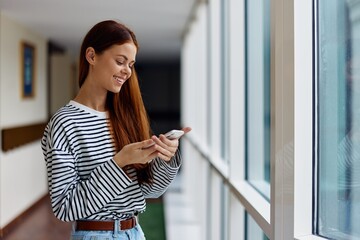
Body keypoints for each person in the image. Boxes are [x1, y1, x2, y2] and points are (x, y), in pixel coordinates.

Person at [41, 20, 191, 240]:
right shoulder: (65, 123)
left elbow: (150, 191)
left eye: (131, 64)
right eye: (120, 61)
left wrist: (166, 159)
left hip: (135, 232)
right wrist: (119, 162)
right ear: (91, 56)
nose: (127, 71)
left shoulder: (125, 116)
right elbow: (65, 207)